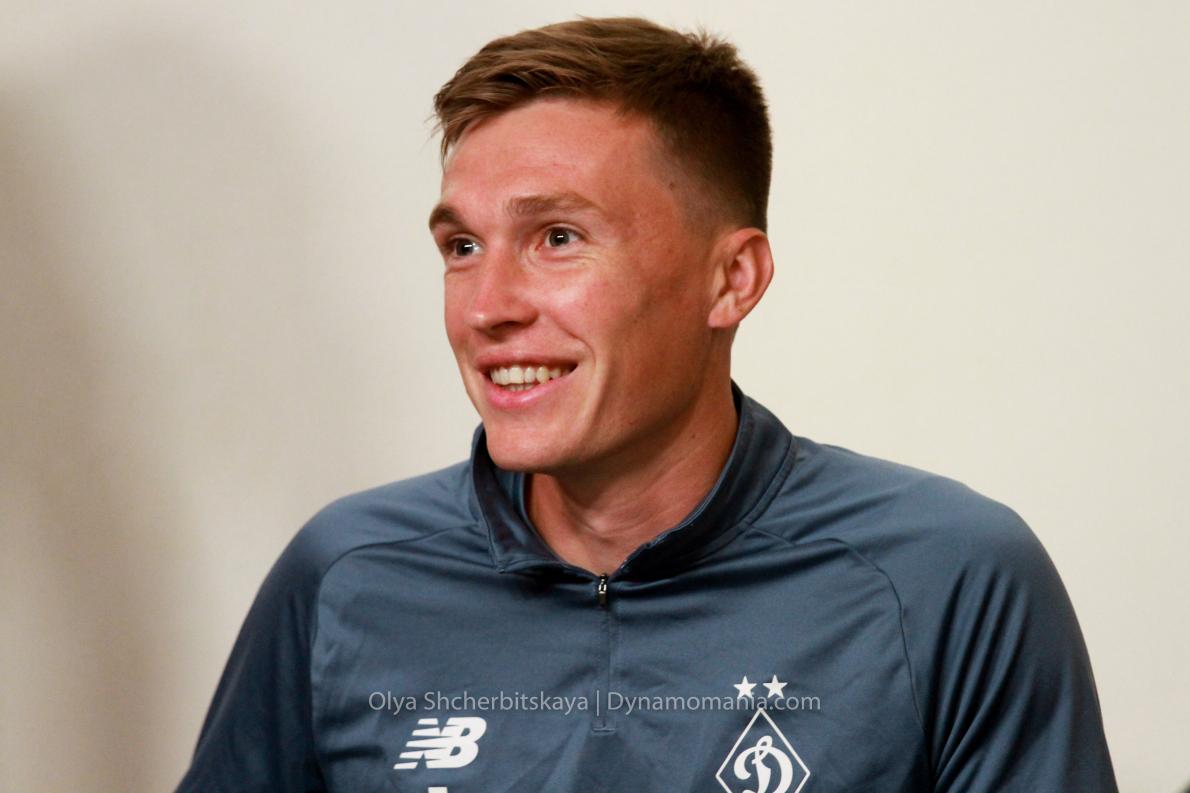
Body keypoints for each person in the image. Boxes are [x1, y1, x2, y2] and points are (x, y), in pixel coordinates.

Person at [174, 17, 1117, 793]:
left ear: (731, 279)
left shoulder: (947, 578)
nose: (486, 307)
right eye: (461, 248)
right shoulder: (344, 574)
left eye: (557, 237)